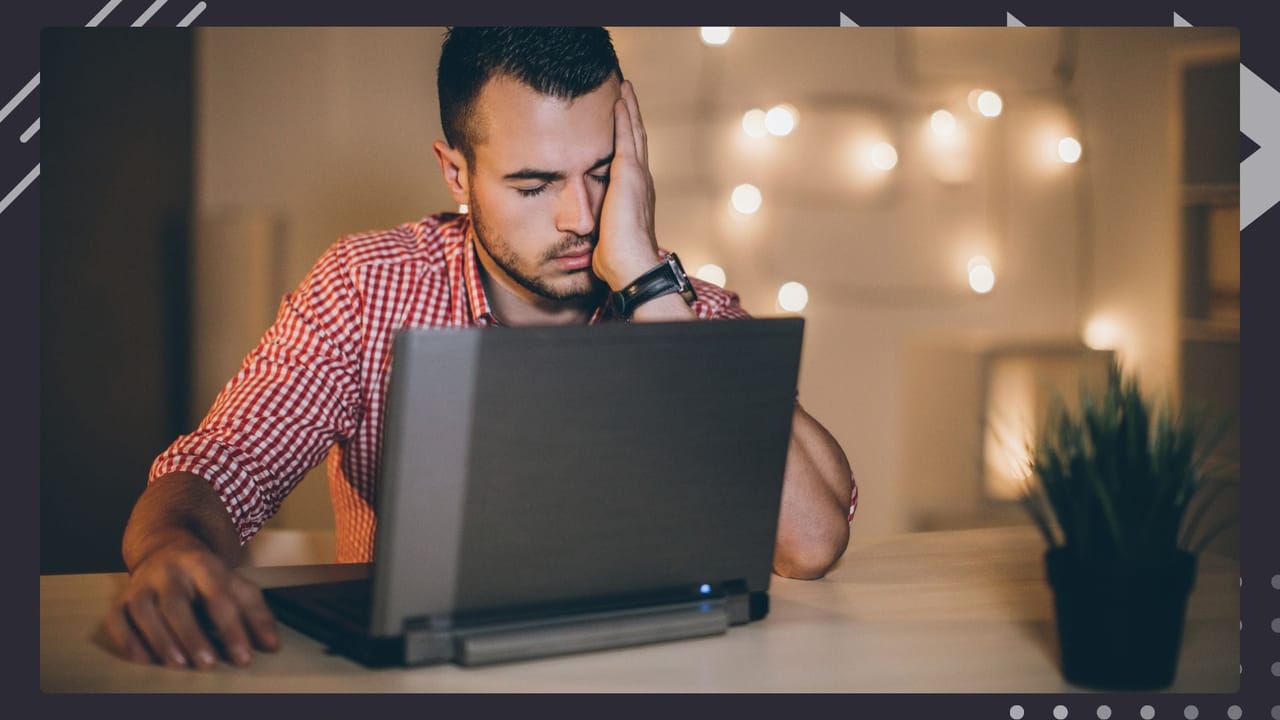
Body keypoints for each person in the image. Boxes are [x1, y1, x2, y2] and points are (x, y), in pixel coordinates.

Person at [103, 27, 859, 671]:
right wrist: (172, 548)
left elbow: (812, 541)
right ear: (456, 172)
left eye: (604, 173)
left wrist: (649, 286)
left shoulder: (676, 305)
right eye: (534, 186)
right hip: (423, 681)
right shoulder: (366, 288)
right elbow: (220, 467)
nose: (582, 217)